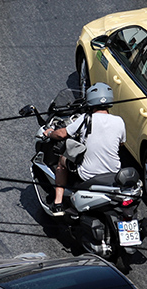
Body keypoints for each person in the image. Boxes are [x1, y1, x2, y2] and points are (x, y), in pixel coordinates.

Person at [44, 83, 128, 215]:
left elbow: (61, 134)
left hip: (88, 174)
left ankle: (58, 203)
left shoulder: (85, 118)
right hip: (114, 172)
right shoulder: (119, 121)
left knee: (62, 160)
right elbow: (120, 144)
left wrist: (49, 133)